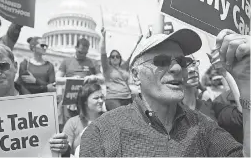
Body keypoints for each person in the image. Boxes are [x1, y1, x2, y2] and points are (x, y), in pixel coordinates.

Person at [80, 28, 250, 157]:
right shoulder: (101, 133)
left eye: (182, 61)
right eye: (162, 61)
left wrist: (246, 81)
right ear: (135, 75)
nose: (177, 68)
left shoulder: (204, 127)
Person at [183, 57, 243, 143]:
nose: (192, 69)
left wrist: (225, 72)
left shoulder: (212, 107)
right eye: (184, 64)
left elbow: (243, 116)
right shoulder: (170, 114)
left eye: (193, 63)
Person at [56, 38, 104, 125]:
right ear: (76, 48)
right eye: (80, 52)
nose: (82, 55)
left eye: (85, 53)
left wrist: (94, 77)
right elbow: (57, 79)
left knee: (85, 123)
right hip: (70, 97)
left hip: (86, 99)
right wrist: (70, 79)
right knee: (69, 123)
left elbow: (102, 79)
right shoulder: (66, 61)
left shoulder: (92, 62)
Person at [49, 83, 104, 156]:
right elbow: (66, 150)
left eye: (102, 97)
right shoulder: (72, 122)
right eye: (96, 98)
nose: (101, 101)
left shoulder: (108, 119)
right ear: (85, 101)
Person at [100, 27, 132, 110]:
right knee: (119, 121)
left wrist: (139, 42)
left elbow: (132, 55)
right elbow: (103, 52)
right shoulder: (107, 68)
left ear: (120, 58)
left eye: (117, 56)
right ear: (109, 59)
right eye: (112, 56)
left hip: (127, 97)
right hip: (113, 99)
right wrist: (103, 37)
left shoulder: (124, 67)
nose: (115, 58)